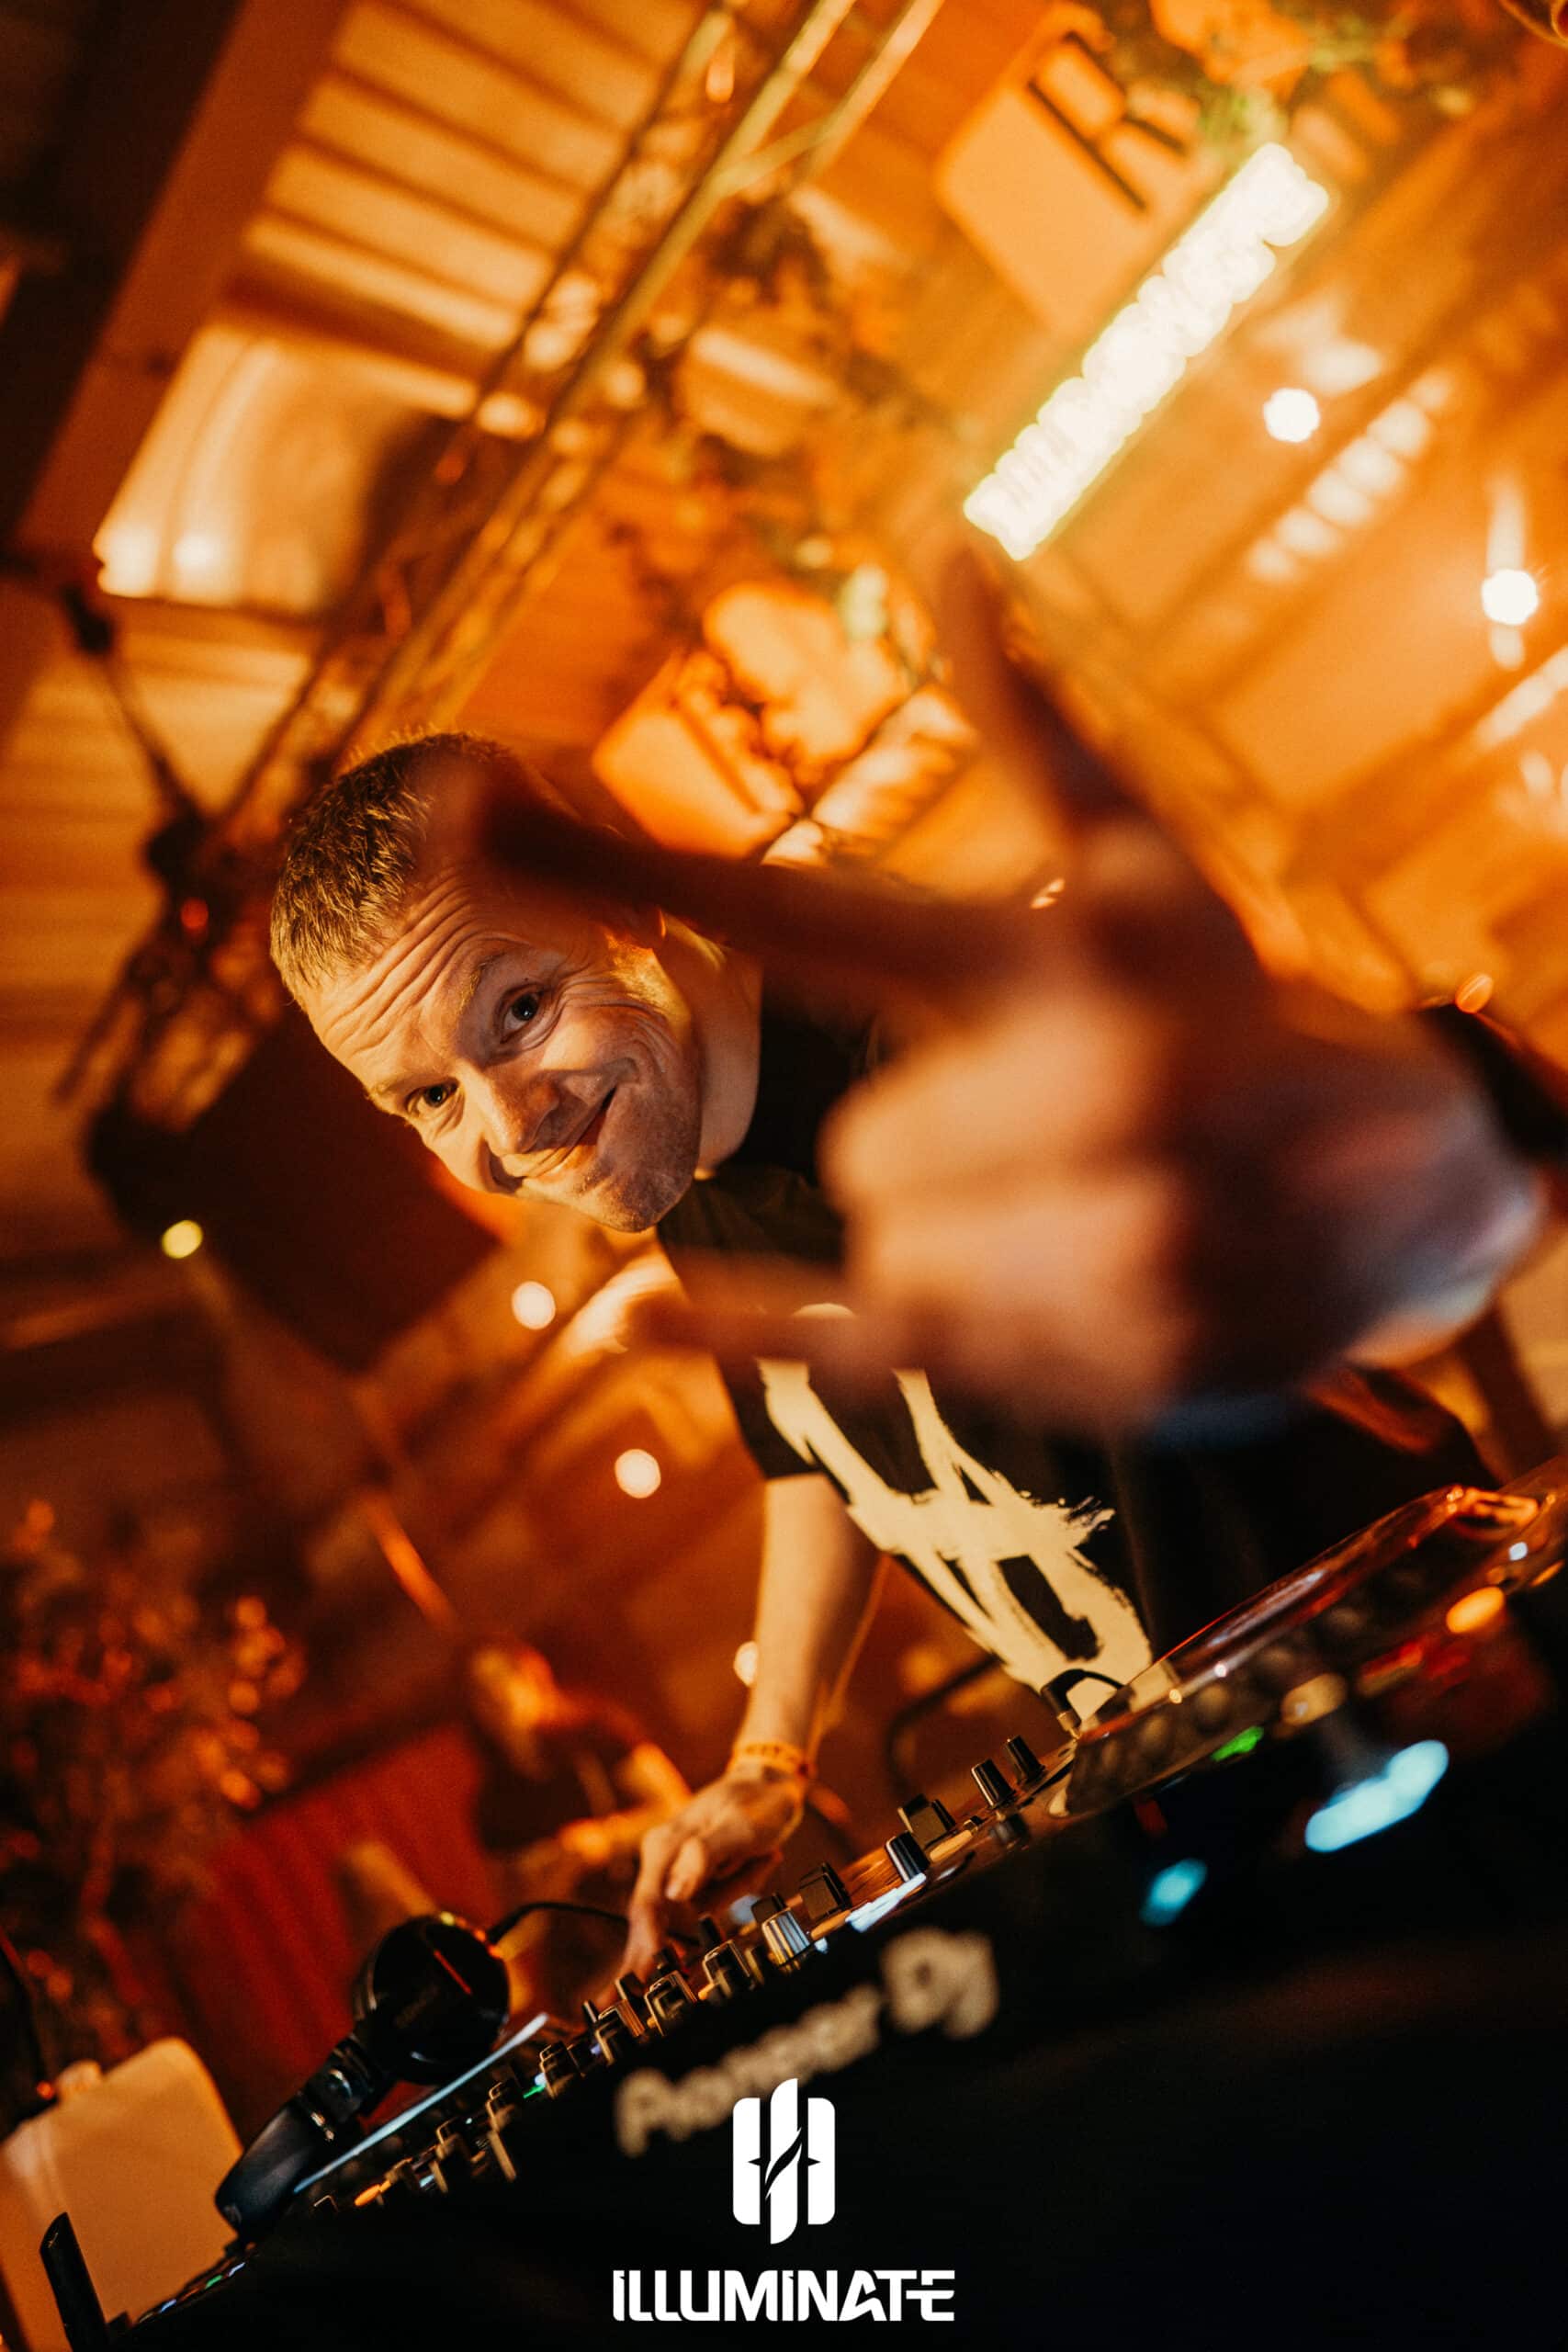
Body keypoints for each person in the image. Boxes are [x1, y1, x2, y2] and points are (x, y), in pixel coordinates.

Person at [267, 551, 1555, 1978]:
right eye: (426, 1097)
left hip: (1430, 1670)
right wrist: (769, 1757)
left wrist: (1432, 1146)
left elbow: (1254, 1194)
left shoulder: (916, 1044)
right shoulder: (674, 1166)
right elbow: (817, 1452)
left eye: (517, 1010)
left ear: (635, 911)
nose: (511, 1130)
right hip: (1211, 1775)